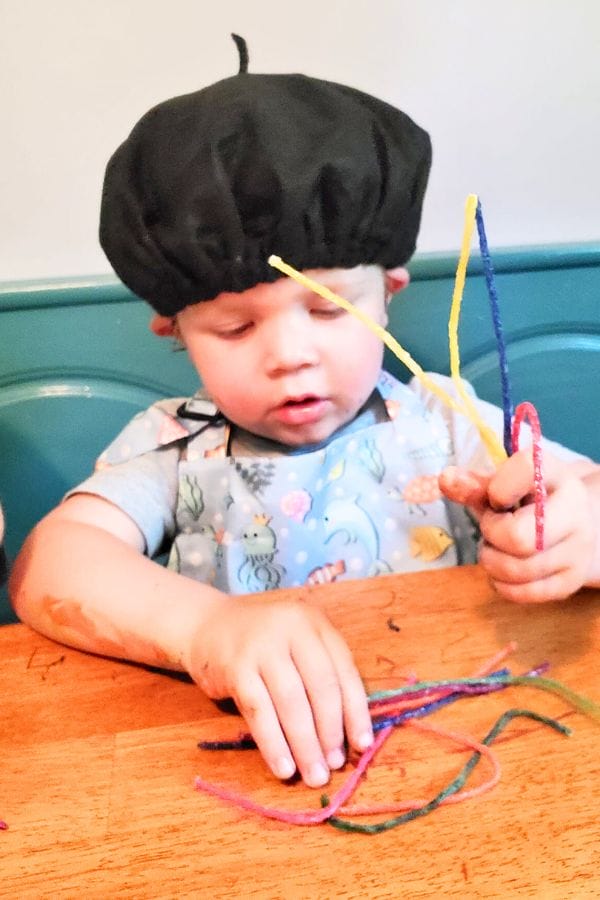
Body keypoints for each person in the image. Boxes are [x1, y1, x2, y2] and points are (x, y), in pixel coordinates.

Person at [10, 37, 600, 790]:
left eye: (326, 311)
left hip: (459, 750)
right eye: (234, 328)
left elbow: (587, 500)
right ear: (177, 334)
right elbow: (46, 568)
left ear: (388, 293)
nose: (289, 355)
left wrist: (578, 534)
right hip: (261, 773)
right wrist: (205, 629)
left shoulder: (445, 420)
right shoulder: (178, 445)